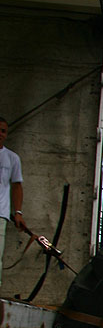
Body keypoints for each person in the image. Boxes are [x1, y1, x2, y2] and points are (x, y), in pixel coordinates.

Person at [0, 117, 26, 285]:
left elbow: (17, 185)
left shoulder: (12, 158)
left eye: (3, 131)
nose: (0, 134)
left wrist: (18, 212)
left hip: (0, 214)